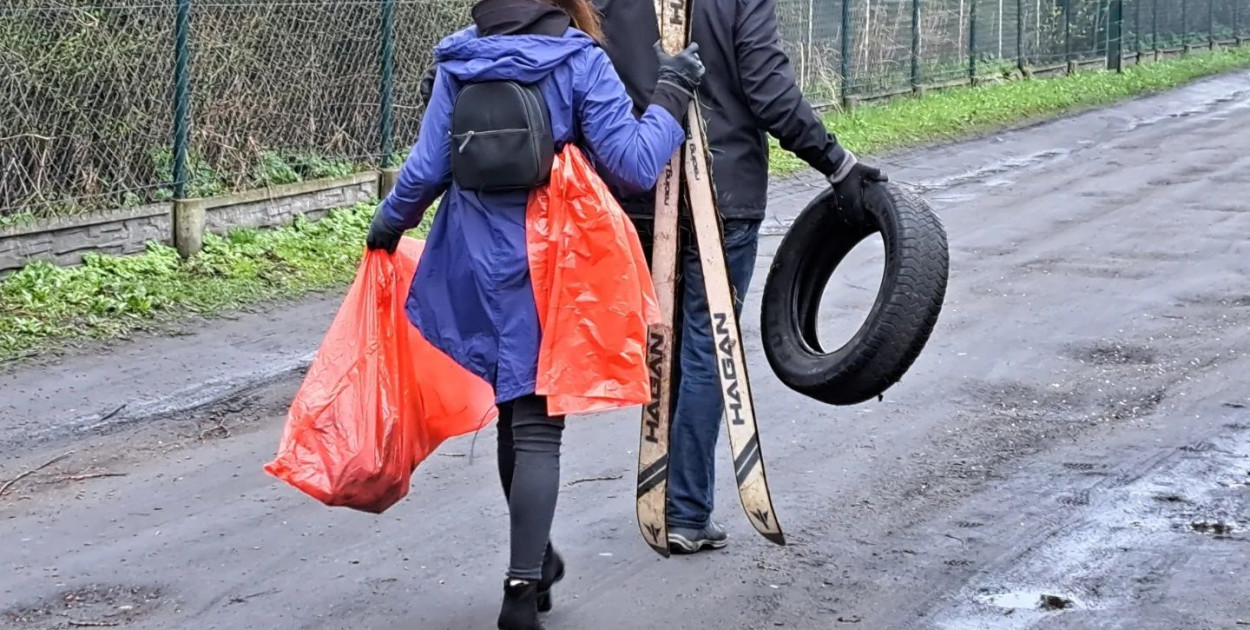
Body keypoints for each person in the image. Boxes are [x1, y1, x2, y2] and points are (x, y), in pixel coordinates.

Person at [364, 0, 705, 628]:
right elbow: (632, 164)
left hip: (476, 261)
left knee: (513, 411)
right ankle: (520, 591)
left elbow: (428, 168)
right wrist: (672, 93)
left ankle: (538, 558)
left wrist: (388, 223)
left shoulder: (460, 58)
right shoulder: (578, 58)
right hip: (551, 260)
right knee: (538, 427)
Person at [590, 0, 887, 554]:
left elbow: (581, 66)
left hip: (637, 186)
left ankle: (673, 499)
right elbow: (769, 92)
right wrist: (836, 162)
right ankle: (685, 510)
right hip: (725, 192)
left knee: (667, 338)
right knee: (706, 343)